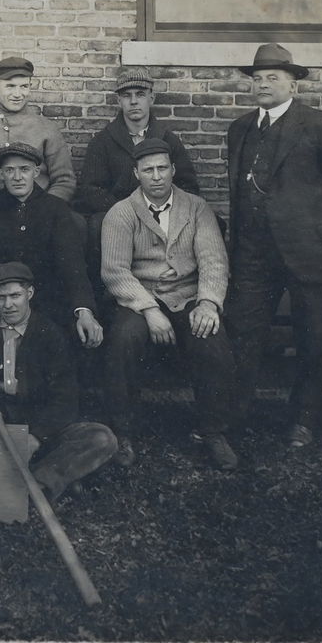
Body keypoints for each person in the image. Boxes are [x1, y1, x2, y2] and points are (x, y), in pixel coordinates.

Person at [222, 42, 322, 448]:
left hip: (311, 253)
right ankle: (233, 419)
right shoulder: (240, 129)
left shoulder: (320, 125)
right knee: (243, 333)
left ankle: (303, 419)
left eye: (273, 78)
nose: (264, 85)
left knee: (312, 338)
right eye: (258, 79)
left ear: (293, 84)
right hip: (254, 254)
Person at [100, 137, 240, 471]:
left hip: (187, 295)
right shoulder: (120, 213)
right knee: (122, 340)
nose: (157, 176)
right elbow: (114, 271)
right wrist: (149, 310)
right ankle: (123, 433)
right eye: (148, 170)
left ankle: (213, 431)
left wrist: (208, 303)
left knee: (213, 340)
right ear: (136, 173)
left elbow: (214, 262)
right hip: (138, 298)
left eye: (163, 168)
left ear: (174, 170)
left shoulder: (196, 207)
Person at [0, 263, 117, 503]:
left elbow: (65, 398)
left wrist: (36, 437)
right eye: (0, 298)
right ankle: (31, 478)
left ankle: (38, 484)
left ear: (29, 294)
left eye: (15, 296)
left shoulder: (50, 334)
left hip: (41, 428)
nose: (8, 305)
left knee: (101, 438)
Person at [0, 144, 103, 348]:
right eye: (10, 170)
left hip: (45, 302)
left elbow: (73, 267)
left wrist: (85, 311)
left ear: (36, 172)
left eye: (24, 169)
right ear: (1, 174)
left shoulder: (56, 209)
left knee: (72, 338)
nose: (17, 177)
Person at [74, 67, 201, 241]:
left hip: (161, 211)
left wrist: (158, 208)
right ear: (119, 100)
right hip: (119, 214)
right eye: (127, 95)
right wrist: (128, 210)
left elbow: (188, 187)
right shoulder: (103, 141)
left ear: (151, 98)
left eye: (140, 94)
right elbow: (90, 190)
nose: (133, 101)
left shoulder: (168, 140)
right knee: (98, 224)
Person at [0, 56, 76, 207]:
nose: (18, 94)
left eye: (24, 86)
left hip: (38, 210)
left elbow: (64, 180)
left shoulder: (47, 128)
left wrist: (44, 208)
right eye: (10, 86)